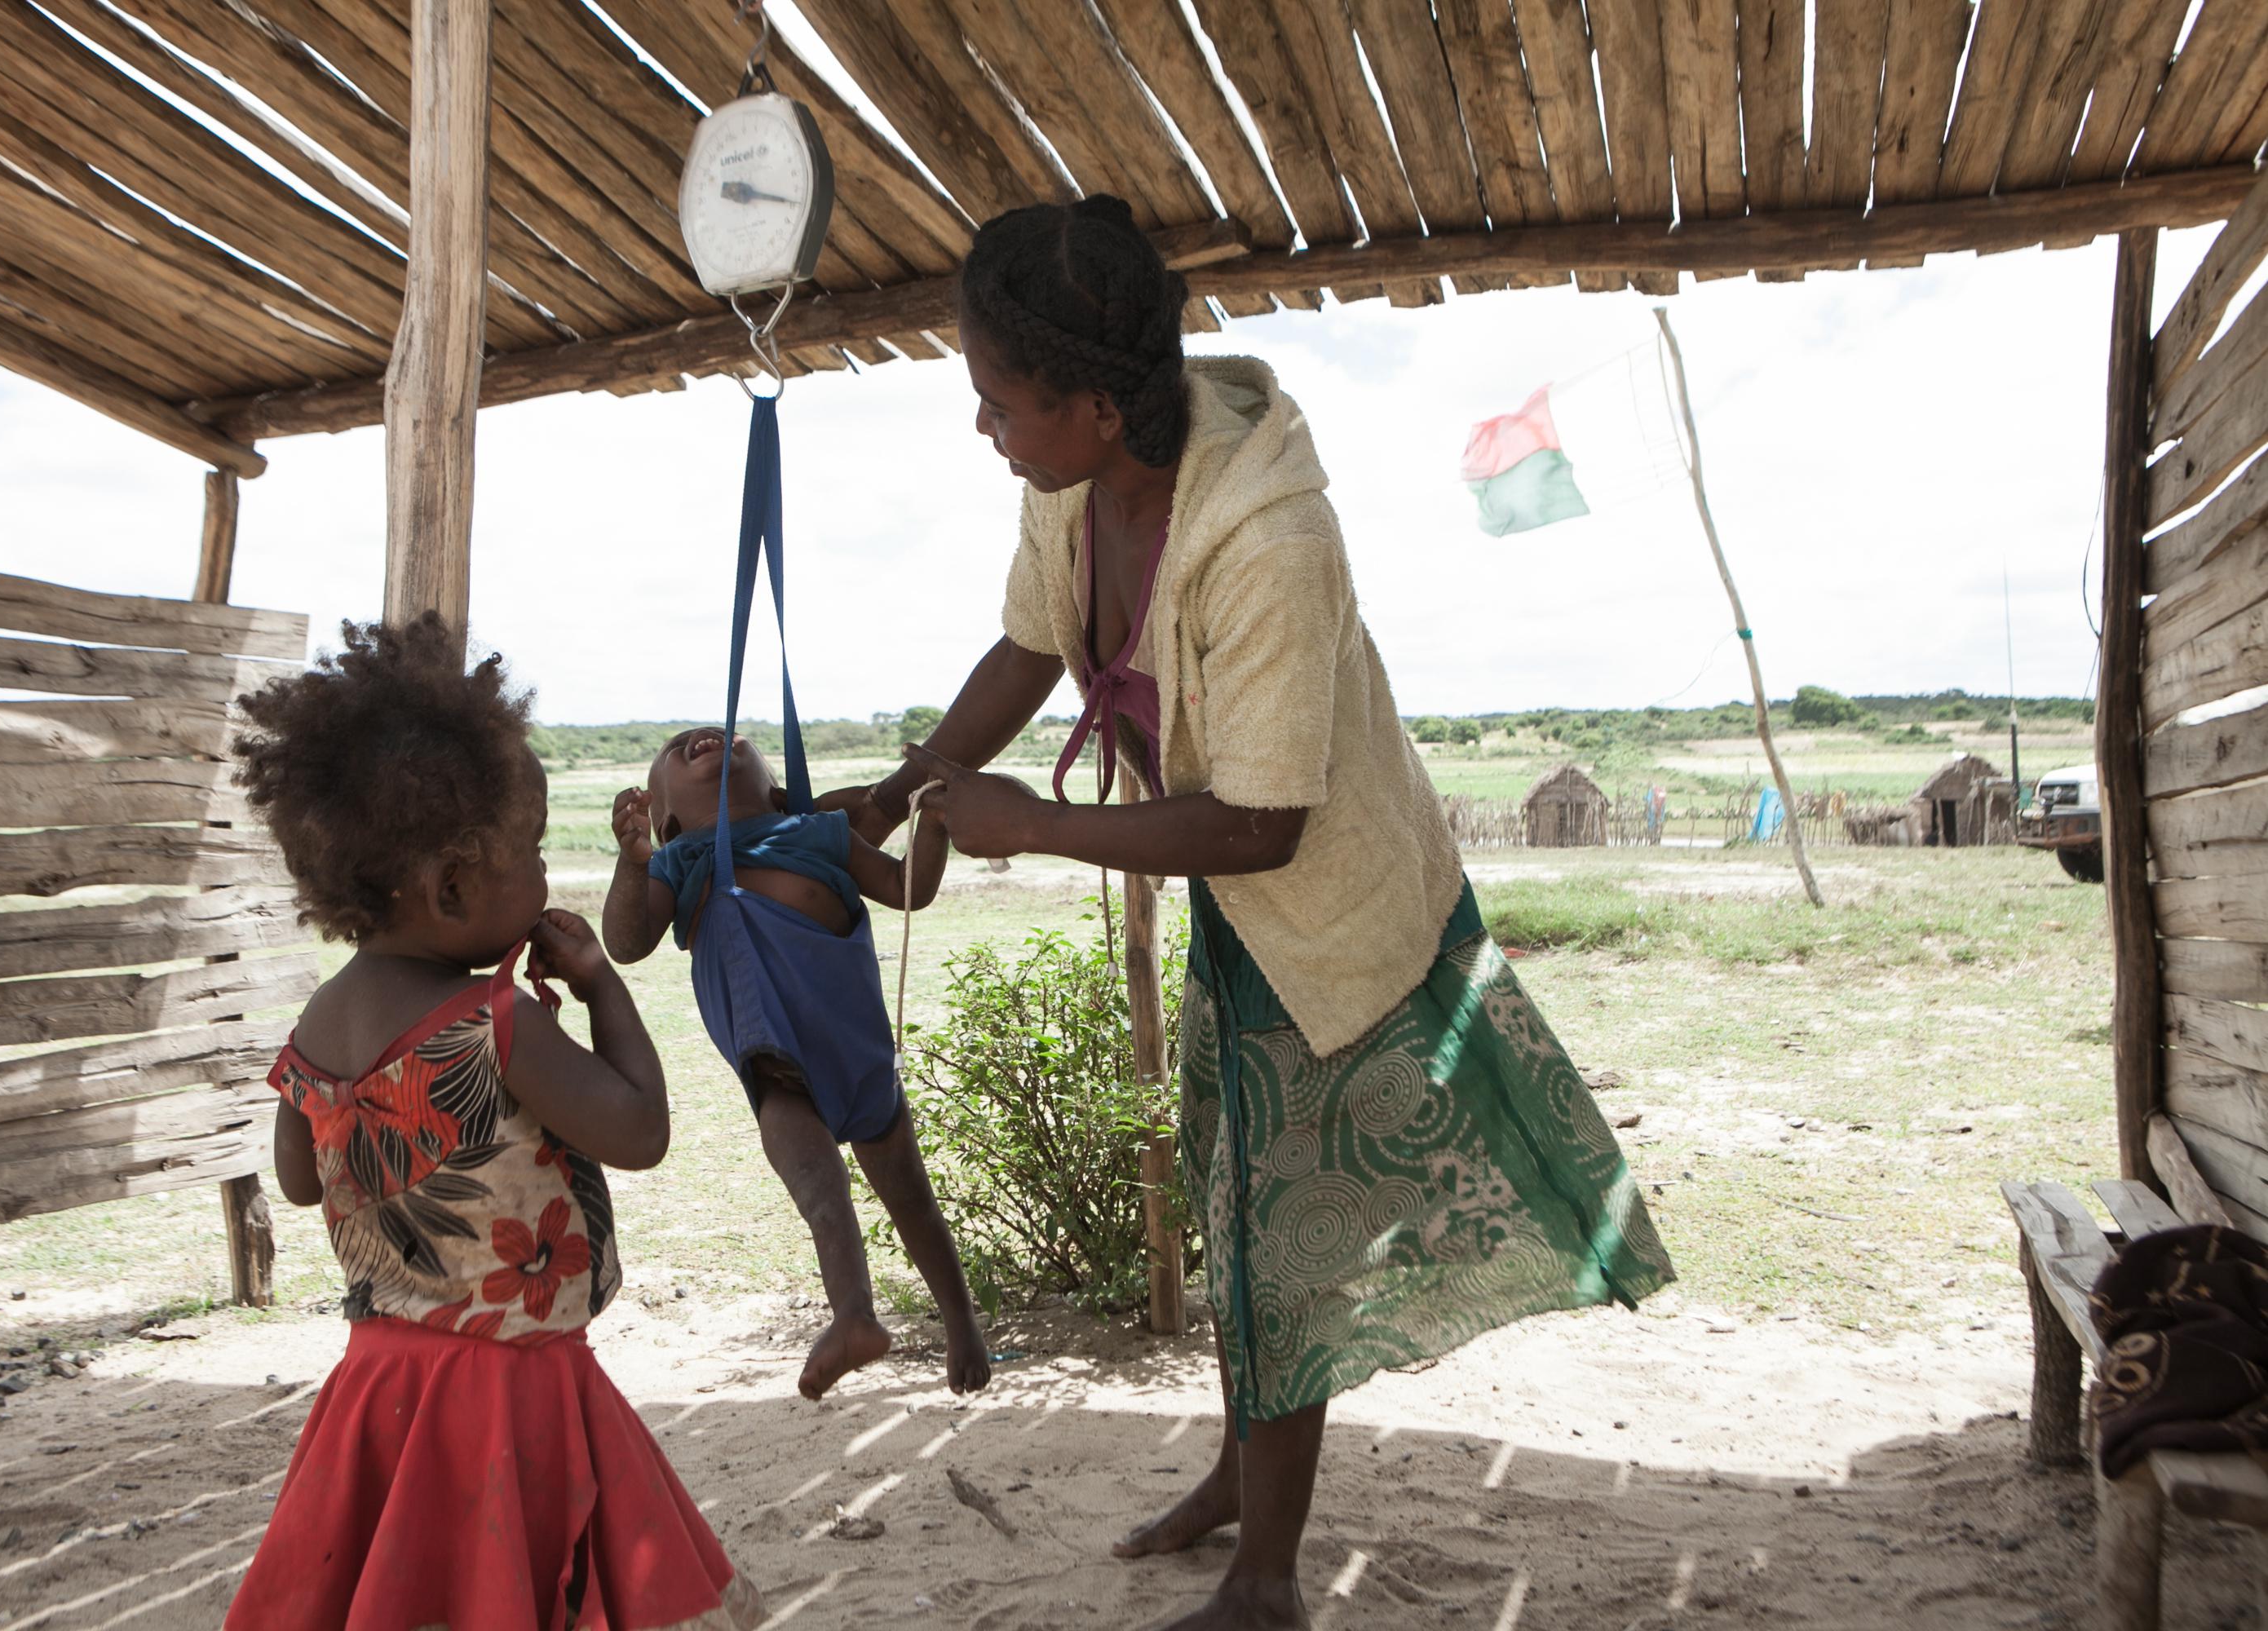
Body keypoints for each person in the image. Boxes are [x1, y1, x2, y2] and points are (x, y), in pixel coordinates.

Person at [826, 197, 1674, 1631]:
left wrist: (1034, 824)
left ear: (1099, 403)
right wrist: (918, 773)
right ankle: (1239, 1471)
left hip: (1327, 903)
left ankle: (1268, 1577)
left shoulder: (1270, 536)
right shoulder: (1069, 486)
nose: (987, 431)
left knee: (1288, 1239)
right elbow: (1032, 643)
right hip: (1240, 900)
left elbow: (1266, 822)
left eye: (1002, 403)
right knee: (1237, 1198)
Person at [224, 615, 762, 1631]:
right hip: (512, 1390)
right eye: (532, 852)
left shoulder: (316, 1024)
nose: (545, 876)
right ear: (454, 884)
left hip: (382, 1383)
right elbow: (640, 1131)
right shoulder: (492, 1024)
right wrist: (604, 988)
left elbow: (300, 1181)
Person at [603, 726, 990, 1401]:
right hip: (774, 1061)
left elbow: (908, 888)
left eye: (724, 735)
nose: (701, 734)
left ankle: (962, 1322)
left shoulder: (820, 831)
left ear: (777, 792)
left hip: (857, 1043)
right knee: (818, 1184)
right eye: (676, 749)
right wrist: (634, 863)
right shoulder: (680, 862)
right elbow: (627, 942)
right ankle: (853, 1314)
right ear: (664, 820)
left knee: (911, 1196)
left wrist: (934, 823)